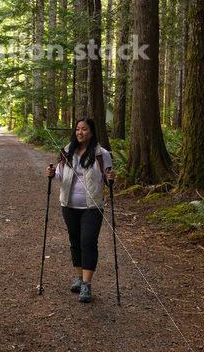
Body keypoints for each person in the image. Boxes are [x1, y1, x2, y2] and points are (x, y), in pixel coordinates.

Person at [45, 117, 115, 302]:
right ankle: (78, 277)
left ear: (91, 132)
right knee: (75, 240)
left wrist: (111, 177)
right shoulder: (67, 151)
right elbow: (60, 174)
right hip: (69, 205)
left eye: (84, 129)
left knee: (88, 241)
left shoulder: (102, 153)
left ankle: (87, 284)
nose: (80, 132)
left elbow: (108, 180)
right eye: (77, 129)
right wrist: (52, 174)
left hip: (92, 206)